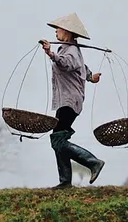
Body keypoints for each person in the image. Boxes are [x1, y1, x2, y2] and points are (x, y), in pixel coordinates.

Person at [39, 12, 105, 188]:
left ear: (67, 32)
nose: (56, 33)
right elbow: (81, 67)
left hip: (69, 101)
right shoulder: (68, 49)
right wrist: (91, 77)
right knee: (57, 138)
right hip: (65, 100)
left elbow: (67, 64)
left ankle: (93, 162)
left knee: (57, 139)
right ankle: (65, 182)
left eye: (58, 29)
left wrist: (50, 54)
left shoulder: (71, 51)